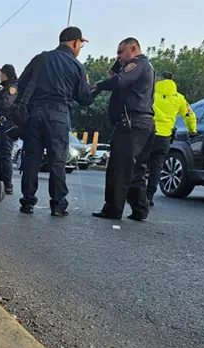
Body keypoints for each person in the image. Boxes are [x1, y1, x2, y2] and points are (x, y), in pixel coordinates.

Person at [17, 27, 96, 216]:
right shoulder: (77, 66)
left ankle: (27, 202)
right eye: (80, 45)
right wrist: (95, 87)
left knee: (32, 159)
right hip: (58, 115)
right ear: (75, 43)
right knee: (57, 162)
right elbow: (85, 99)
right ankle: (58, 205)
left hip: (35, 113)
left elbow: (21, 83)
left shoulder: (40, 58)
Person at [91, 37, 156, 221]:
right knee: (137, 169)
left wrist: (100, 85)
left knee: (119, 167)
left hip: (131, 123)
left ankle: (113, 209)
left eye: (121, 52)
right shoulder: (147, 66)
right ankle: (140, 209)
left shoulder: (136, 65)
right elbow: (117, 76)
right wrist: (116, 65)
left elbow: (118, 81)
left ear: (133, 49)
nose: (118, 56)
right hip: (146, 123)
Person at [146, 71, 197, 206]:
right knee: (157, 167)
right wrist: (192, 130)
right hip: (165, 137)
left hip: (147, 134)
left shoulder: (150, 92)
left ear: (159, 79)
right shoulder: (179, 98)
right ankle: (149, 196)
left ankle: (135, 195)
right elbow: (190, 115)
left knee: (139, 164)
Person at [0, 64, 18, 195]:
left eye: (1, 73)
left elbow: (6, 105)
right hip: (1, 127)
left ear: (6, 75)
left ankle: (7, 184)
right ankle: (3, 182)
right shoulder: (4, 89)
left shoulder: (13, 88)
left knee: (5, 155)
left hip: (8, 127)